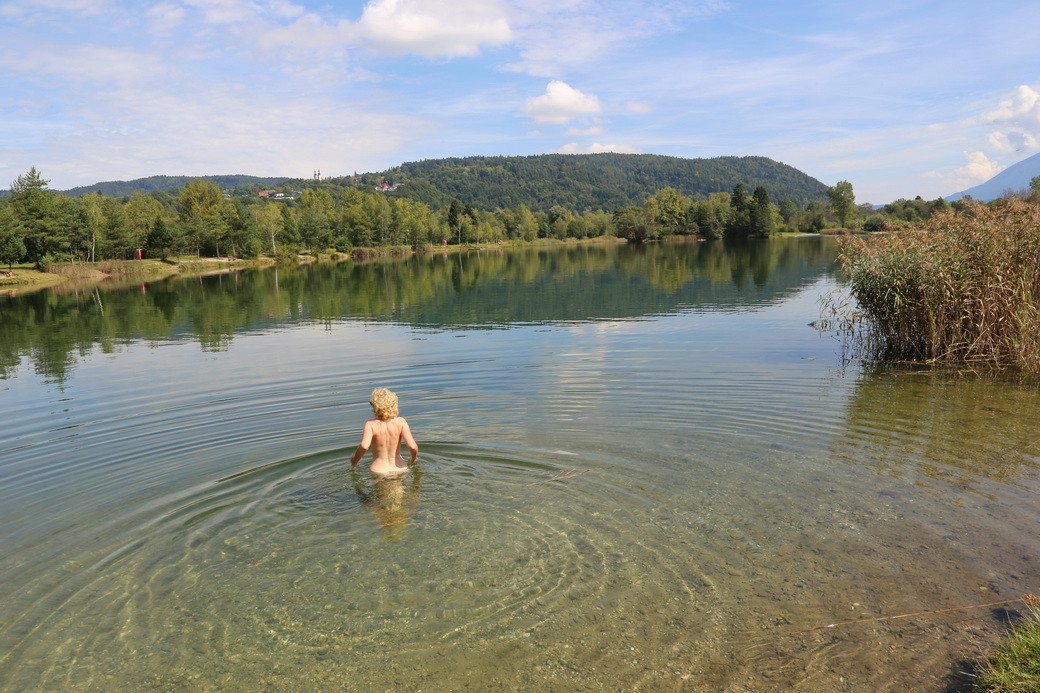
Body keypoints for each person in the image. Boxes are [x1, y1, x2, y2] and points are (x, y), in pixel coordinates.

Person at [350, 387, 418, 476]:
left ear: (375, 406)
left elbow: (364, 446)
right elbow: (412, 446)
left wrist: (354, 461)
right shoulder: (401, 422)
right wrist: (413, 458)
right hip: (400, 468)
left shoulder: (370, 424)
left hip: (379, 471)